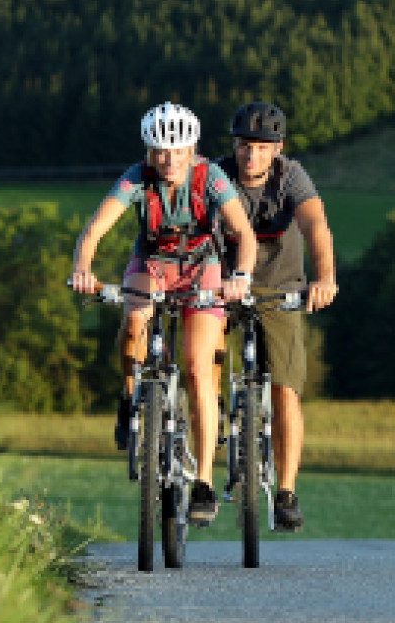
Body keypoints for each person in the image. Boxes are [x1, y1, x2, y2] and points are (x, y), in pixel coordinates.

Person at [69, 101, 256, 527]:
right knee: (134, 321)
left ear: (192, 149)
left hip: (202, 268)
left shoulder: (211, 177)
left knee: (196, 367)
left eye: (176, 151)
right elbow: (96, 227)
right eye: (159, 152)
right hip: (152, 265)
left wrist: (240, 275)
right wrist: (83, 269)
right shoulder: (137, 178)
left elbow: (242, 232)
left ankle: (204, 482)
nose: (168, 160)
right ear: (149, 151)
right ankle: (131, 395)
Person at [223, 100, 337, 533]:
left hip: (280, 288)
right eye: (243, 146)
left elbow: (315, 225)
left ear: (278, 149)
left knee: (285, 388)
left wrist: (324, 278)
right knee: (205, 358)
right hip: (225, 284)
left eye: (261, 147)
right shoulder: (217, 177)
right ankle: (207, 418)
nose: (251, 156)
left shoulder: (291, 176)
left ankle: (286, 493)